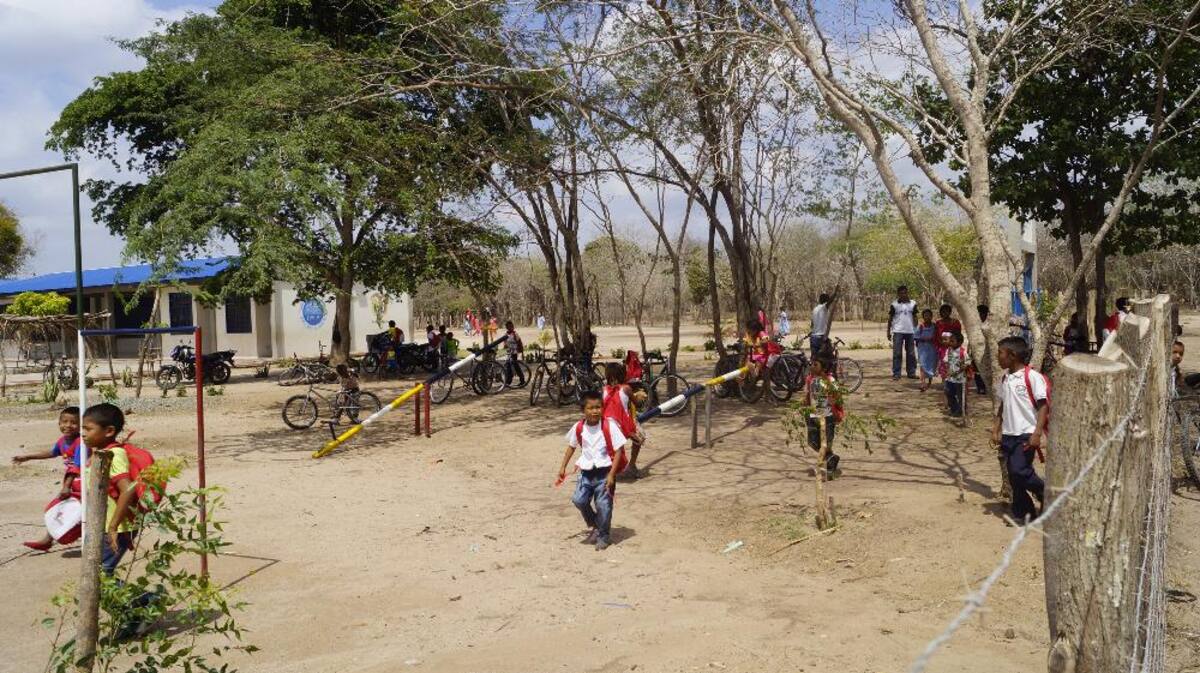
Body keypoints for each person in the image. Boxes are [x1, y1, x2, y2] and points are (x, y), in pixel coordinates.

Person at [557, 391, 628, 551]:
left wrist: (611, 474)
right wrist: (562, 467)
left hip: (605, 473)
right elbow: (572, 446)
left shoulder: (609, 425)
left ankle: (604, 536)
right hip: (586, 472)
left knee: (604, 505)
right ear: (584, 410)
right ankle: (595, 524)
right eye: (591, 408)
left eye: (598, 407)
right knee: (579, 500)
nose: (595, 411)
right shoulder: (579, 427)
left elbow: (618, 450)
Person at [992, 336, 1048, 524]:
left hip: (1026, 433)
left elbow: (1043, 406)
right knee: (1014, 477)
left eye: (1000, 353)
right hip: (1009, 433)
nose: (998, 357)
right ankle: (1025, 514)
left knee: (1019, 470)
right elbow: (1002, 405)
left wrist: (1037, 433)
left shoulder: (1032, 377)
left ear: (1013, 355)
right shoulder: (1005, 378)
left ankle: (1043, 490)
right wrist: (996, 429)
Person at [13, 407, 82, 551]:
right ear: (59, 423)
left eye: (73, 422)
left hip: (82, 483)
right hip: (72, 483)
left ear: (81, 425)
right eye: (64, 421)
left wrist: (66, 486)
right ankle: (48, 539)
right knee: (58, 509)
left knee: (66, 509)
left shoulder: (80, 443)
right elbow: (52, 452)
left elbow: (77, 466)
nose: (68, 425)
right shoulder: (63, 441)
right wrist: (28, 457)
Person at [602, 363, 648, 480]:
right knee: (640, 436)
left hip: (605, 424)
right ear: (622, 375)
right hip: (621, 425)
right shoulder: (626, 388)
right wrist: (639, 396)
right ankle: (632, 465)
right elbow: (637, 404)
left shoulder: (604, 389)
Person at [804, 355, 842, 473]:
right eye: (811, 364)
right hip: (813, 415)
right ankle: (831, 458)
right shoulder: (809, 379)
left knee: (825, 442)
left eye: (816, 365)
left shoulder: (830, 380)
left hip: (827, 416)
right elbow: (807, 396)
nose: (812, 366)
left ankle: (825, 470)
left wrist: (833, 401)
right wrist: (804, 405)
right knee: (813, 442)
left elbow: (838, 397)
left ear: (823, 367)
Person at [887, 285, 919, 380]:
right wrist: (888, 331)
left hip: (910, 331)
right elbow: (890, 319)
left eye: (905, 293)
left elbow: (915, 317)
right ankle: (896, 374)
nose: (903, 295)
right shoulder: (894, 304)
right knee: (897, 353)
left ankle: (911, 373)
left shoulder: (913, 303)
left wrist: (916, 330)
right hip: (897, 331)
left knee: (911, 353)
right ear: (898, 294)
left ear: (907, 293)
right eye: (901, 293)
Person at [942, 332, 968, 418]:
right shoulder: (948, 350)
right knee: (949, 393)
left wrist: (960, 369)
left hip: (960, 379)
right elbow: (946, 361)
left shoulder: (963, 352)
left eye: (953, 341)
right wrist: (947, 370)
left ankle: (962, 411)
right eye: (950, 341)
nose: (950, 343)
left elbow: (967, 363)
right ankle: (954, 409)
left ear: (959, 342)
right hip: (950, 378)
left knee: (961, 396)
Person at [915, 309, 938, 392]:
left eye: (929, 315)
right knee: (922, 364)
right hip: (923, 348)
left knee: (931, 364)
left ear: (931, 317)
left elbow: (937, 336)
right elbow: (916, 337)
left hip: (932, 349)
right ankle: (922, 382)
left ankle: (929, 382)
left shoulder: (934, 326)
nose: (927, 317)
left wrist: (932, 339)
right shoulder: (920, 326)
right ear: (923, 317)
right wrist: (924, 339)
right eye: (925, 315)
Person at [810, 292, 836, 359]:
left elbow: (812, 324)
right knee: (829, 357)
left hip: (813, 337)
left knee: (814, 359)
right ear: (826, 301)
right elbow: (830, 301)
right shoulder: (824, 308)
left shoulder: (815, 309)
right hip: (821, 337)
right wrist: (835, 292)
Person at [503, 320, 526, 387]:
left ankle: (522, 380)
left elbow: (519, 342)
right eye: (508, 327)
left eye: (511, 326)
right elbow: (505, 343)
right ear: (506, 327)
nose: (510, 328)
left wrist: (521, 351)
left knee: (515, 366)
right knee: (508, 366)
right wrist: (505, 346)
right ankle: (508, 381)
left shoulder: (515, 334)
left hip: (514, 352)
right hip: (509, 352)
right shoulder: (506, 334)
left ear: (513, 327)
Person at [974, 304, 990, 395]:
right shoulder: (975, 325)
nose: (980, 316)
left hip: (987, 350)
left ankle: (985, 386)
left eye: (982, 313)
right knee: (977, 369)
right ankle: (980, 387)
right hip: (977, 349)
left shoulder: (989, 324)